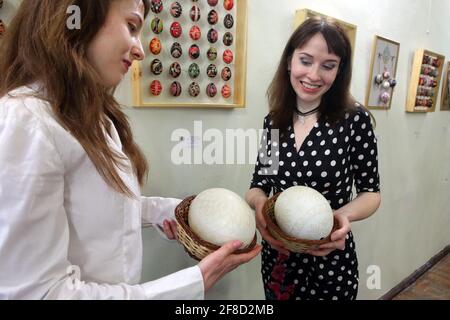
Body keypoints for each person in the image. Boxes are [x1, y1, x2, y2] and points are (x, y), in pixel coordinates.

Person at [0, 0, 261, 300]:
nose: (141, 50)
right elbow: (40, 293)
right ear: (78, 18)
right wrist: (195, 280)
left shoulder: (92, 117)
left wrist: (177, 212)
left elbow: (97, 207)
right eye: (132, 26)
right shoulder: (26, 123)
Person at [245, 18, 381, 300]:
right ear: (289, 62)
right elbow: (259, 184)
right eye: (305, 61)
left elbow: (371, 193)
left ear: (339, 71)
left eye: (328, 65)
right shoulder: (274, 122)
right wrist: (259, 206)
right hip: (279, 258)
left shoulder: (354, 120)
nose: (314, 74)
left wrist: (339, 217)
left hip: (329, 257)